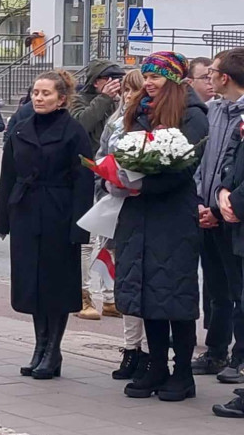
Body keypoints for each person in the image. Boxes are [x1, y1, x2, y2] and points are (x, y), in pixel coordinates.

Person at [114, 52, 208, 402]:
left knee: (175, 293)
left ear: (174, 80)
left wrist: (143, 184)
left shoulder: (192, 114)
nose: (148, 83)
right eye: (146, 77)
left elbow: (183, 167)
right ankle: (156, 366)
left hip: (172, 214)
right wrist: (119, 177)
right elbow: (127, 151)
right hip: (139, 214)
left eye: (155, 78)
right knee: (146, 294)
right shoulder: (139, 110)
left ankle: (182, 371)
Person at [0, 70, 94, 379]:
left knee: (56, 283)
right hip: (25, 212)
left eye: (46, 93)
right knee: (32, 284)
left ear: (61, 99)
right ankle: (40, 345)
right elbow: (8, 176)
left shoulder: (74, 131)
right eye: (36, 92)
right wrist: (3, 220)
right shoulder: (21, 128)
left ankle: (54, 350)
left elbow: (83, 180)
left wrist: (80, 227)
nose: (38, 97)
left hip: (58, 213)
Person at [194, 50, 244, 386]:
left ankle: (239, 357)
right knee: (214, 289)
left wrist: (222, 206)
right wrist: (200, 202)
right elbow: (200, 161)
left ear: (224, 77)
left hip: (233, 216)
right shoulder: (211, 111)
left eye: (212, 72)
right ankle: (215, 349)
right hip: (208, 211)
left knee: (238, 289)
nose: (208, 77)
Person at [96, 69, 149, 379]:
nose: (128, 96)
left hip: (140, 208)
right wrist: (104, 182)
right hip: (115, 207)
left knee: (143, 283)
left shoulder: (147, 122)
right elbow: (102, 156)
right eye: (126, 91)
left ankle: (146, 350)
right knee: (124, 281)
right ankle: (130, 348)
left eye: (135, 90)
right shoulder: (114, 122)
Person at [71, 58, 125, 321]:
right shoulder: (79, 100)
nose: (116, 84)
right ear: (98, 81)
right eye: (111, 78)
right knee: (86, 241)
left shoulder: (119, 103)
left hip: (110, 178)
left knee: (109, 240)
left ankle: (110, 296)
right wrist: (103, 100)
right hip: (85, 176)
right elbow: (81, 126)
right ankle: (83, 296)